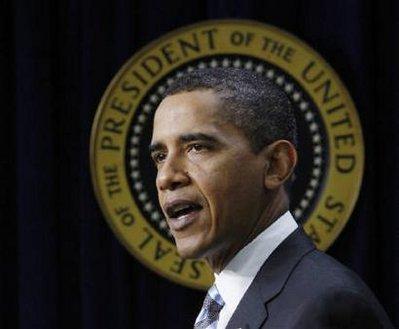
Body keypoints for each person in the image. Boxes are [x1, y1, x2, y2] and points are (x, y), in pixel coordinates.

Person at [149, 68, 393, 329]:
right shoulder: (225, 303)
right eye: (160, 156)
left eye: (197, 147)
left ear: (276, 165)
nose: (166, 177)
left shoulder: (328, 306)